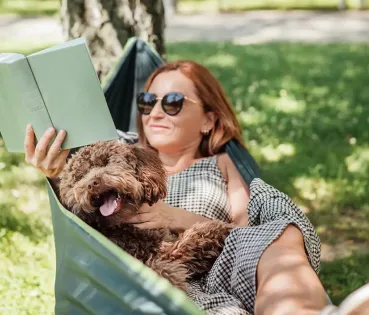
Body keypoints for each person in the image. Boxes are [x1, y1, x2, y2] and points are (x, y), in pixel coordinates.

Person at [24, 60, 327, 314]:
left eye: (172, 103)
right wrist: (54, 172)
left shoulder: (222, 163)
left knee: (281, 233)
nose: (154, 113)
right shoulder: (119, 151)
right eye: (146, 102)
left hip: (218, 270)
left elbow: (248, 235)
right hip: (146, 282)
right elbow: (80, 210)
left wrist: (176, 218)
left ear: (208, 120)